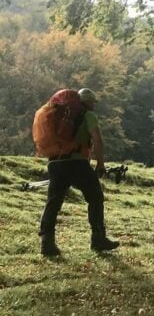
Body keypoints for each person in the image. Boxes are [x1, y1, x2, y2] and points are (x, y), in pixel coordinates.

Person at [38, 88, 119, 256]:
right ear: (88, 102)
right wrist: (100, 164)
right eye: (93, 102)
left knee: (53, 202)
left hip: (55, 163)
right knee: (96, 197)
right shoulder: (88, 115)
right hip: (76, 162)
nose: (94, 105)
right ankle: (98, 238)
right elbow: (97, 138)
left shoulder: (60, 114)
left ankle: (47, 243)